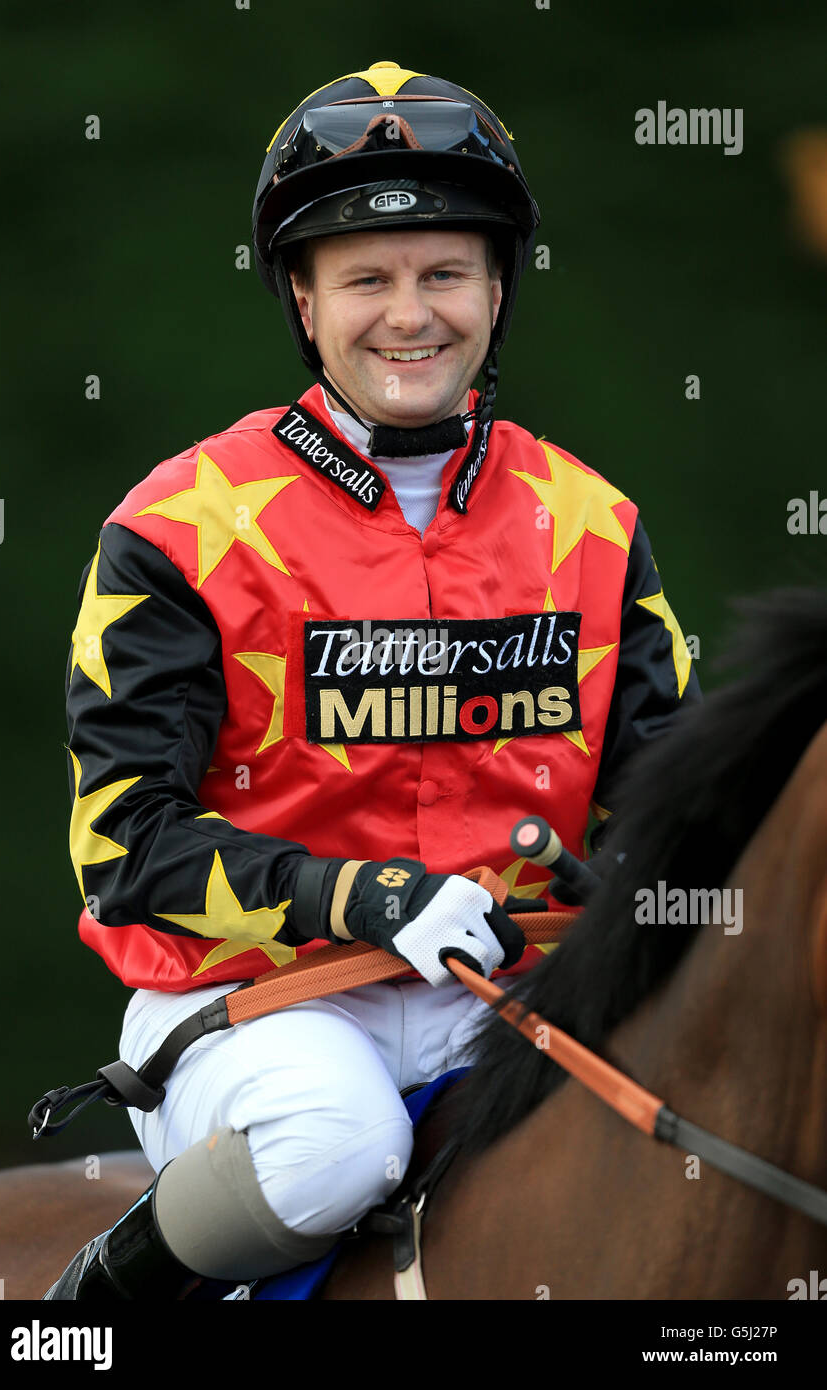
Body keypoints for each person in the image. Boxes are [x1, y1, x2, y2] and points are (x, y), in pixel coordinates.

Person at [47, 60, 700, 1300]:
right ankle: (86, 1309)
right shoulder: (174, 527)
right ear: (304, 299)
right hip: (264, 1005)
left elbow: (670, 800)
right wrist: (363, 895)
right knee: (336, 1148)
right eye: (367, 278)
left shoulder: (595, 527)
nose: (412, 315)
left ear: (497, 290)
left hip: (510, 987)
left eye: (444, 272)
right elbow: (122, 846)